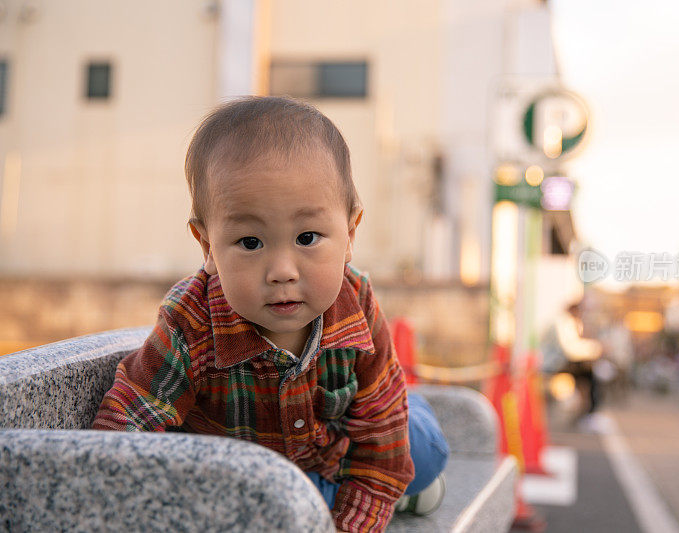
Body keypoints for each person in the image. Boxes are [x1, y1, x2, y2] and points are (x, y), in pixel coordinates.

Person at [92, 96, 448, 532]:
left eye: (307, 236)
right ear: (207, 246)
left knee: (421, 450)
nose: (282, 271)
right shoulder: (191, 321)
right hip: (256, 479)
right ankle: (391, 496)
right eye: (250, 243)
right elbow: (127, 425)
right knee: (278, 511)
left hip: (339, 448)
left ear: (350, 233)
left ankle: (411, 428)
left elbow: (381, 444)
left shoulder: (355, 300)